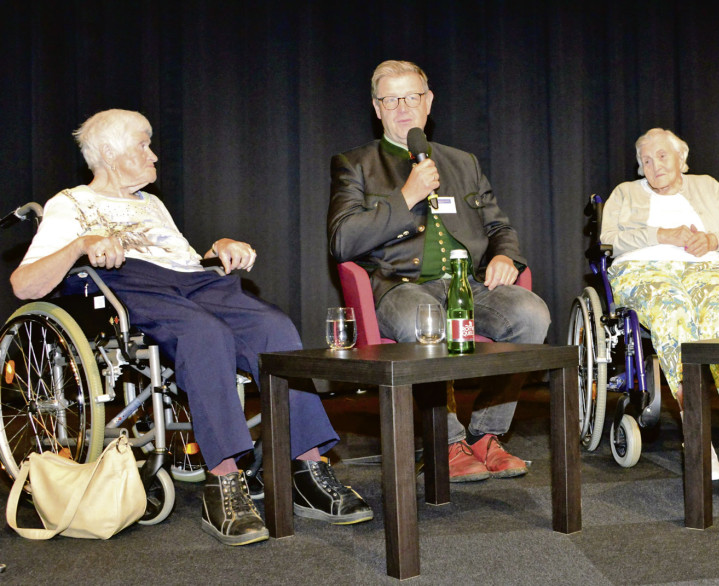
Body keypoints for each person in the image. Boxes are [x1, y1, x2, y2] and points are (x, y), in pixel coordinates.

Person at [10, 109, 374, 546]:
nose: (154, 155)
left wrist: (219, 249)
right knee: (205, 335)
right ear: (108, 153)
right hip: (131, 285)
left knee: (274, 328)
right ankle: (222, 482)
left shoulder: (153, 204)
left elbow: (184, 263)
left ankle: (307, 468)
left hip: (192, 282)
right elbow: (23, 283)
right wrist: (81, 244)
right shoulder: (69, 204)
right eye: (143, 145)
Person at [327, 60, 551, 483]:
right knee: (420, 320)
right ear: (377, 108)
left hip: (468, 284)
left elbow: (499, 226)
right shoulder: (355, 163)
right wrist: (405, 196)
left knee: (530, 314)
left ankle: (486, 435)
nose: (403, 108)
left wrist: (506, 256)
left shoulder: (462, 162)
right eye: (391, 100)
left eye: (412, 96)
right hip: (400, 287)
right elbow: (341, 241)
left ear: (428, 102)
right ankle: (444, 442)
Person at [600, 128, 719, 480]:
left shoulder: (706, 186)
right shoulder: (625, 193)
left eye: (662, 156)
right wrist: (662, 235)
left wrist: (713, 238)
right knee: (672, 309)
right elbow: (608, 240)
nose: (654, 165)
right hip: (643, 271)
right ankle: (697, 433)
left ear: (681, 159)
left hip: (706, 266)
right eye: (646, 160)